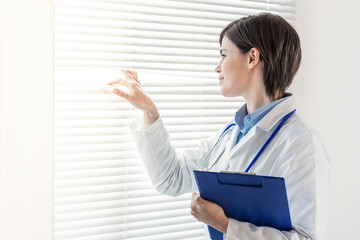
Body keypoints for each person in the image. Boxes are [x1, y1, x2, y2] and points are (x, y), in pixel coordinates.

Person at [107, 13, 331, 240]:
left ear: (252, 57)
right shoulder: (230, 135)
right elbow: (171, 178)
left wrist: (225, 225)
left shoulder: (302, 145)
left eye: (224, 55)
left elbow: (306, 238)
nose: (217, 67)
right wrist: (148, 111)